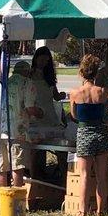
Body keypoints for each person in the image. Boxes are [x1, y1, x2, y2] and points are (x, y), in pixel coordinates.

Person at [70, 54, 108, 216]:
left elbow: (74, 115)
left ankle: (83, 210)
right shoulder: (102, 92)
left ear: (81, 73)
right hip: (101, 132)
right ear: (96, 73)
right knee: (102, 175)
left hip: (84, 132)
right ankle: (101, 210)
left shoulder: (75, 93)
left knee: (85, 174)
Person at [0, 61, 43, 187]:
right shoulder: (27, 83)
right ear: (27, 72)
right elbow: (30, 108)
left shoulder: (3, 83)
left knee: (2, 168)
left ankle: (3, 200)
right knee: (17, 167)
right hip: (17, 131)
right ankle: (16, 201)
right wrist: (40, 112)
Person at [29, 46, 67, 179]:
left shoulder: (49, 76)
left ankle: (64, 175)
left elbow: (55, 95)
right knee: (36, 150)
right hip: (35, 116)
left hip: (50, 116)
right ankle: (36, 177)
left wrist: (61, 95)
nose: (43, 63)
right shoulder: (30, 75)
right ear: (36, 59)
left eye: (46, 61)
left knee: (60, 148)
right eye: (41, 59)